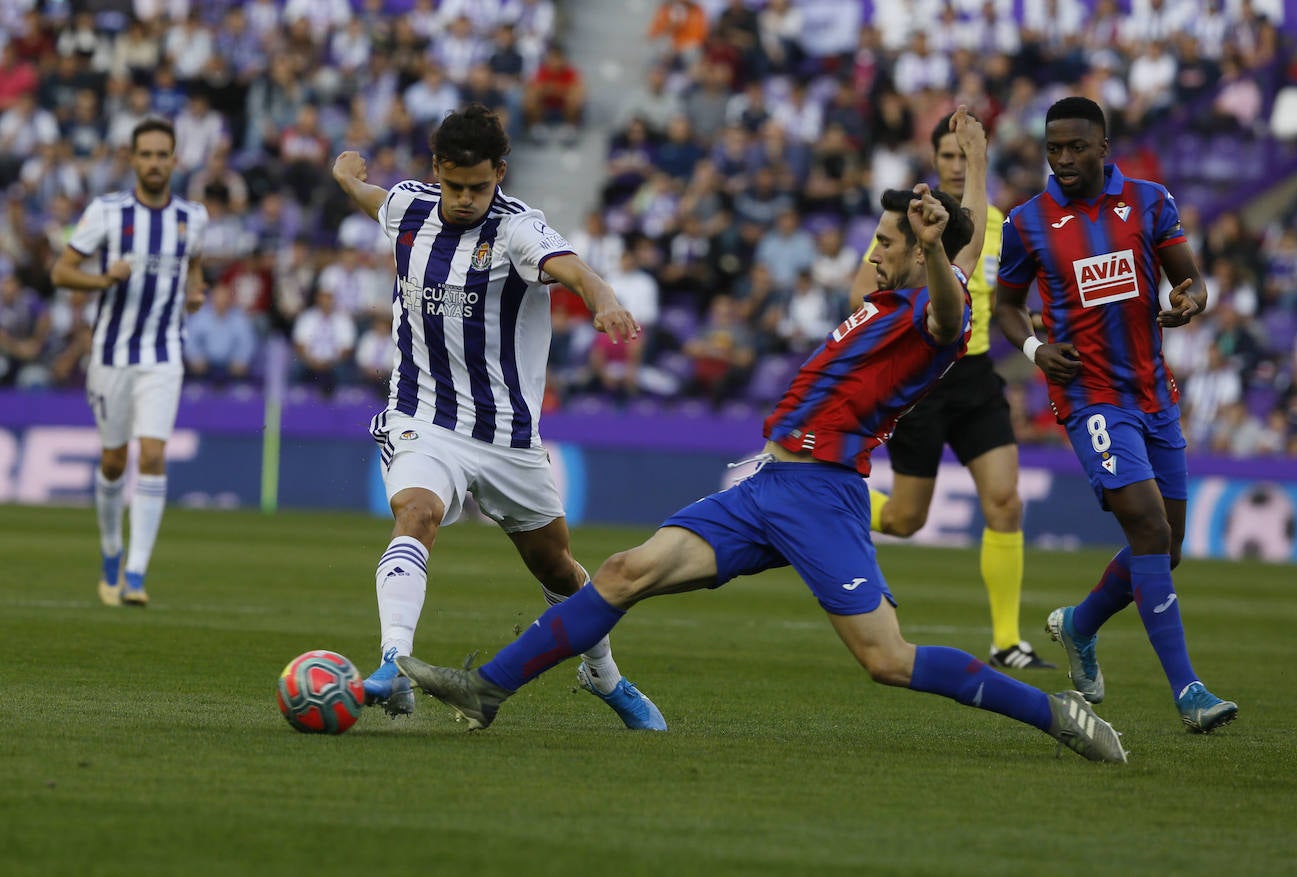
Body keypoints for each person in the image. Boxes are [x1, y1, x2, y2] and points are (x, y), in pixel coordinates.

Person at [396, 185, 1127, 765]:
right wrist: (939, 217)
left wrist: (937, 249)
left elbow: (948, 310)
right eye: (877, 239)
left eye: (886, 243)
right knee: (623, 570)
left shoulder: (934, 309)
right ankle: (488, 687)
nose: (873, 252)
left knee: (886, 658)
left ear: (926, 250)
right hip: (767, 486)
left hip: (821, 495)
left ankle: (1054, 713)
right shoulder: (877, 304)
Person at [330, 104, 665, 729]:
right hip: (422, 416)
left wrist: (605, 298)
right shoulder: (408, 208)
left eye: (478, 187)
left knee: (556, 567)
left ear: (500, 175)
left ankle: (604, 675)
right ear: (437, 172)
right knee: (416, 512)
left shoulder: (517, 229)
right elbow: (373, 196)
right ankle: (392, 665)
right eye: (454, 186)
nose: (464, 199)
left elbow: (571, 269)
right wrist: (347, 174)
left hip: (508, 436)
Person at [993, 96, 1238, 733]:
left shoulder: (1152, 202)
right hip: (1088, 396)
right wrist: (1036, 349)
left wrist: (1189, 301)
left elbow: (1191, 281)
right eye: (1054, 149)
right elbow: (1007, 307)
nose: (1064, 159)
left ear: (1104, 148)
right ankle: (1189, 693)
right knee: (1150, 531)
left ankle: (1079, 624)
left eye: (1076, 147)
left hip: (1154, 393)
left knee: (1169, 545)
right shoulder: (1028, 221)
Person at [850, 107, 1053, 672]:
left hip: (976, 375)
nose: (958, 166)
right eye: (948, 157)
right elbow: (863, 289)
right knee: (904, 522)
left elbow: (1007, 293)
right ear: (933, 162)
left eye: (965, 156)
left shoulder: (995, 222)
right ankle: (821, 492)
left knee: (1006, 503)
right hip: (924, 381)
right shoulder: (915, 223)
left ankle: (1008, 641)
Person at [50, 117, 207, 607]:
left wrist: (196, 288)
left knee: (154, 454)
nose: (156, 163)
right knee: (114, 460)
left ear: (174, 160)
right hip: (111, 354)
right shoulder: (106, 213)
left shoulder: (192, 217)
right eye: (147, 155)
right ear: (133, 159)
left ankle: (137, 573)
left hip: (163, 354)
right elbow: (61, 272)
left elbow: (194, 260)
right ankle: (112, 551)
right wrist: (105, 280)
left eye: (163, 155)